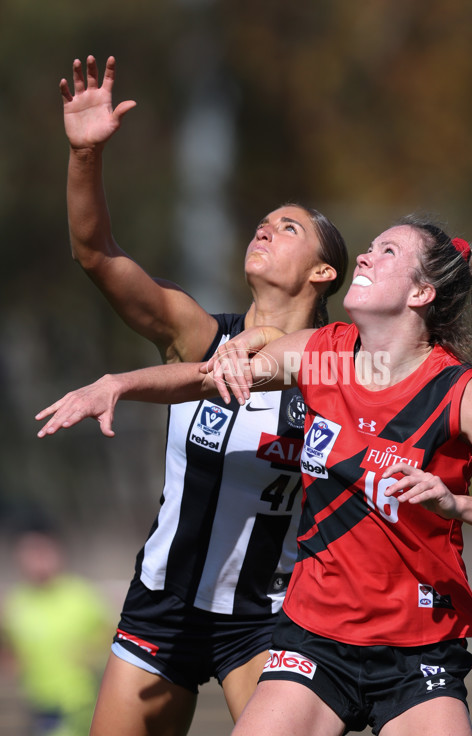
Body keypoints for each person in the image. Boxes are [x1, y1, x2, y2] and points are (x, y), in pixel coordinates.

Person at [36, 216, 472, 735]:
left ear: (421, 294)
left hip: (418, 647)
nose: (365, 254)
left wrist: (456, 505)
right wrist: (119, 384)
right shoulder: (326, 357)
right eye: (370, 245)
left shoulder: (461, 393)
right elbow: (209, 376)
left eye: (388, 252)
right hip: (315, 639)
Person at [58, 54, 348, 735]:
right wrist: (83, 156)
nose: (264, 229)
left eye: (289, 228)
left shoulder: (340, 368)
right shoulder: (197, 337)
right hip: (162, 604)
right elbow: (96, 254)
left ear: (323, 271)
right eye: (263, 222)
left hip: (265, 616)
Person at [1, 523, 112, 736]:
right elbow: (8, 647)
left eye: (43, 551)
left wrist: (92, 652)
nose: (38, 560)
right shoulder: (15, 602)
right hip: (41, 706)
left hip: (85, 704)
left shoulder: (82, 595)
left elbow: (112, 636)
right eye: (30, 553)